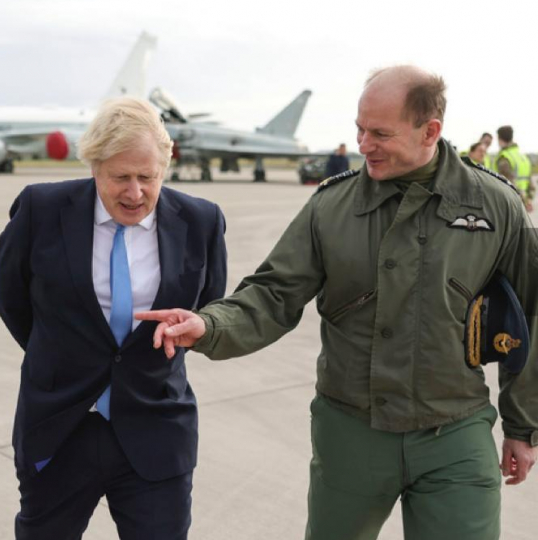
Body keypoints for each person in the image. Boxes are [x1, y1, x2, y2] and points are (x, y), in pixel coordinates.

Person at [137, 65, 538, 540]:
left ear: (430, 131)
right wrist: (209, 325)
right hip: (351, 432)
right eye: (359, 129)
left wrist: (523, 426)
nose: (364, 144)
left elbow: (529, 319)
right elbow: (273, 292)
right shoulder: (332, 205)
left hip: (454, 430)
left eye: (380, 133)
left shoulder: (495, 206)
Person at [0, 96, 227, 539]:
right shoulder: (41, 209)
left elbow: (209, 304)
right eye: (120, 177)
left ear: (166, 166)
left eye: (148, 177)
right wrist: (65, 352)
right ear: (94, 167)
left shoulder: (201, 221)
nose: (135, 193)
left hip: (156, 427)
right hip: (59, 426)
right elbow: (13, 301)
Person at [496, 125, 533, 211]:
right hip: (522, 205)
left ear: (500, 139)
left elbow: (508, 184)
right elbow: (531, 185)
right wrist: (528, 200)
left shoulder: (504, 157)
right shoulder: (523, 157)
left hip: (510, 205)